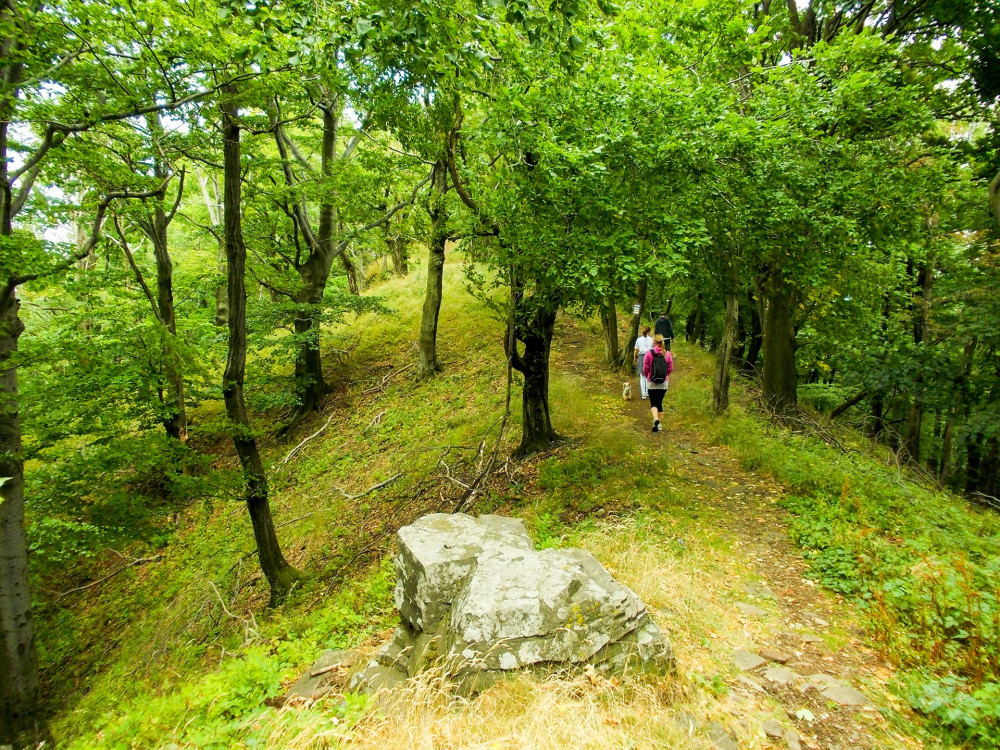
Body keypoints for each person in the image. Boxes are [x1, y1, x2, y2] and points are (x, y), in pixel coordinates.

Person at [642, 334, 674, 432]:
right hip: (664, 383)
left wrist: (648, 376)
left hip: (651, 382)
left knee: (653, 403)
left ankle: (656, 419)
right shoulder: (667, 353)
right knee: (659, 402)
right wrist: (666, 376)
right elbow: (670, 368)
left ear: (654, 342)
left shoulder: (648, 353)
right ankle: (658, 424)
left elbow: (645, 368)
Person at [633, 325, 654, 399]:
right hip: (650, 357)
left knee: (642, 376)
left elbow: (636, 350)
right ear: (649, 331)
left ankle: (643, 394)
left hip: (642, 357)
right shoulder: (652, 339)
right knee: (648, 375)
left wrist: (635, 358)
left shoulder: (639, 339)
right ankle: (648, 391)